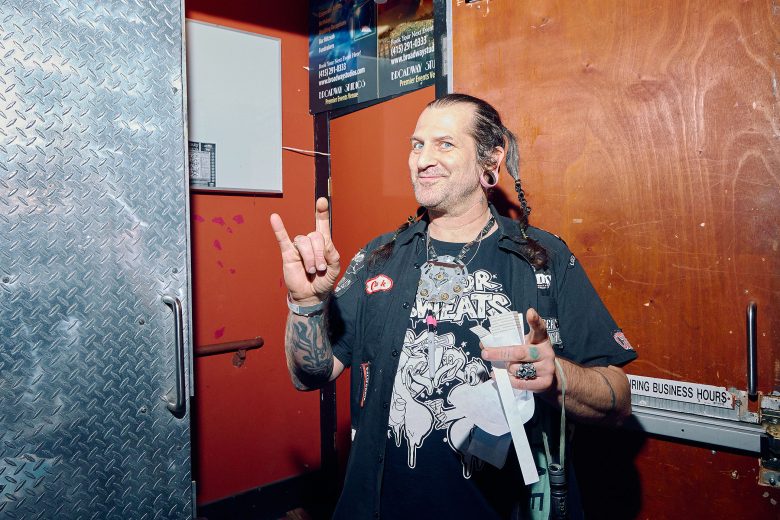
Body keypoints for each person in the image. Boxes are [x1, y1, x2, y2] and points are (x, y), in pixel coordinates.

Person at [270, 93, 637, 519]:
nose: (422, 159)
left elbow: (619, 397)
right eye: (416, 144)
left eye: (445, 144)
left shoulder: (544, 258)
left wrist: (557, 378)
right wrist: (306, 304)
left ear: (490, 160)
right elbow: (309, 374)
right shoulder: (379, 258)